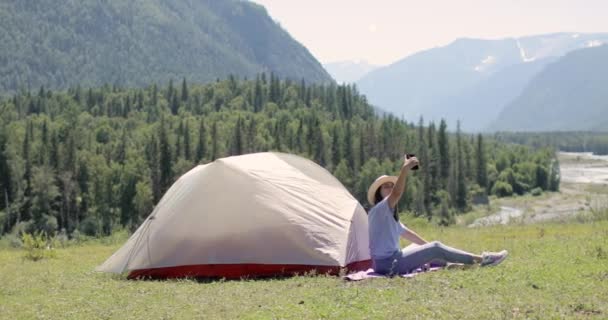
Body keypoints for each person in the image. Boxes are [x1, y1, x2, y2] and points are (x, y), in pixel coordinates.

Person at [367, 154, 508, 276]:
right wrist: (405, 169)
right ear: (378, 194)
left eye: (392, 185)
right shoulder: (380, 209)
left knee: (426, 247)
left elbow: (408, 234)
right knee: (435, 247)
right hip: (389, 264)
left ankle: (452, 263)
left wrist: (427, 250)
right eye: (386, 187)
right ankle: (483, 260)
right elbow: (397, 193)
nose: (391, 188)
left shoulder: (386, 214)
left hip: (387, 262)